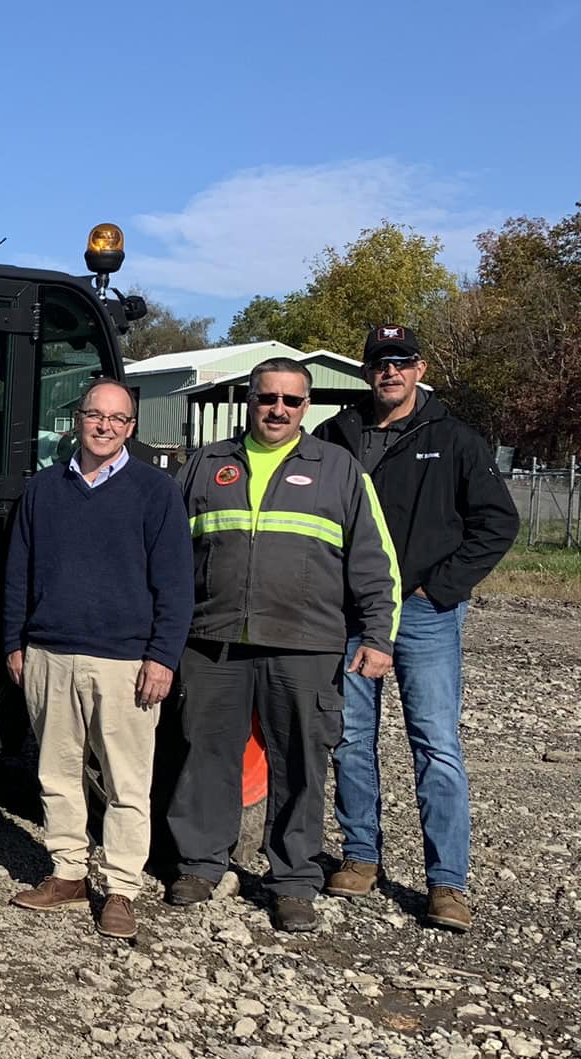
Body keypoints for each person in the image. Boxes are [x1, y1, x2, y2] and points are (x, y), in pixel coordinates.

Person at [166, 359, 400, 933]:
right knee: (204, 755)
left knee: (299, 764)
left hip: (304, 646)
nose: (278, 409)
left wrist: (377, 636)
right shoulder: (206, 464)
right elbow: (169, 557)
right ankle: (200, 864)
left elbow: (374, 561)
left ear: (306, 406)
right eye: (267, 397)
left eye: (291, 401)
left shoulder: (338, 469)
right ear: (250, 399)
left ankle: (293, 879)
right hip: (212, 641)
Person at [315, 325, 517, 932]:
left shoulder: (452, 438)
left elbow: (496, 523)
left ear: (419, 369)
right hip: (353, 614)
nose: (390, 372)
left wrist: (440, 589)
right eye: (380, 363)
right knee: (351, 738)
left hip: (425, 615)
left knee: (436, 745)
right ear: (366, 370)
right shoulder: (336, 436)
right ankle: (360, 857)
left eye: (401, 362)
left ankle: (447, 883)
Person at [3, 379, 192, 940]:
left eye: (117, 418)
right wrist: (15, 643)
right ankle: (67, 873)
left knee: (126, 782)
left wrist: (162, 658)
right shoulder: (42, 491)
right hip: (49, 654)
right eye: (94, 415)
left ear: (131, 427)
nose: (104, 426)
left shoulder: (156, 492)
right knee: (57, 773)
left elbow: (176, 585)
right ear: (77, 421)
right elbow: (19, 573)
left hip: (126, 662)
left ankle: (121, 887)